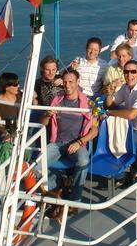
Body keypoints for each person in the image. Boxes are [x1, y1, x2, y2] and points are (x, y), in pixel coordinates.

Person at [42, 69, 98, 211]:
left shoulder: (87, 103)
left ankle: (74, 201)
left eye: (71, 82)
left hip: (77, 143)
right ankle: (53, 190)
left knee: (83, 161)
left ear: (78, 82)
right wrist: (48, 115)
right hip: (57, 143)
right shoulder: (56, 100)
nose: (67, 85)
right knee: (36, 167)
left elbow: (94, 130)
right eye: (65, 82)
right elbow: (43, 123)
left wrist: (79, 142)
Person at [0, 72, 22, 164]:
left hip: (22, 132)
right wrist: (7, 133)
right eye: (15, 84)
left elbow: (34, 97)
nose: (18, 86)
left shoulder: (20, 95)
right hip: (6, 134)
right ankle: (6, 172)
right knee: (5, 147)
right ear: (6, 87)